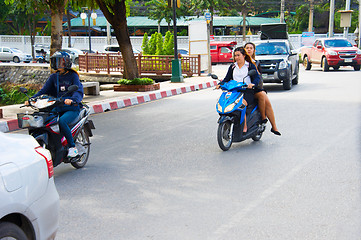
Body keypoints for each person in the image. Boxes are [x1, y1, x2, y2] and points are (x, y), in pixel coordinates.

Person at [26, 51, 84, 157]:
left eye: (60, 61)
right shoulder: (54, 77)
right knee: (47, 121)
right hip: (57, 107)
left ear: (66, 63)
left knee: (62, 122)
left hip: (71, 108)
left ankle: (72, 147)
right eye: (56, 61)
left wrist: (73, 99)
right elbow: (43, 90)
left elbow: (78, 90)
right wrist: (32, 99)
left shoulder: (73, 76)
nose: (58, 64)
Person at [217, 46, 261, 133]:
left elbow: (257, 77)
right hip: (234, 91)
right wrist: (220, 84)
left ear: (244, 55)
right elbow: (227, 78)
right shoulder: (233, 67)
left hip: (247, 91)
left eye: (238, 55)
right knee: (225, 103)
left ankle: (244, 126)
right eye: (235, 56)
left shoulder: (249, 66)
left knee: (241, 104)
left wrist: (252, 84)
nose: (236, 58)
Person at [244, 42, 281, 136]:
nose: (249, 50)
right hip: (243, 89)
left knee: (264, 97)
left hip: (255, 88)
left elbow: (258, 78)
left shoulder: (256, 63)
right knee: (263, 96)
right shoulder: (240, 62)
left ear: (254, 51)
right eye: (247, 48)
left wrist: (255, 85)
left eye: (251, 48)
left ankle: (273, 125)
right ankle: (264, 119)